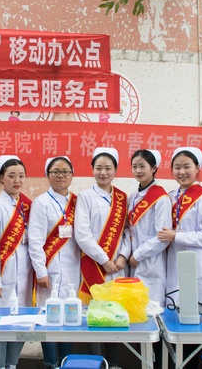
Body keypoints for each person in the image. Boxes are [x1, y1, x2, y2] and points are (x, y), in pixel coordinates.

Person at [158, 147, 202, 369]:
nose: (182, 171)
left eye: (187, 166)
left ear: (197, 169)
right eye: (177, 167)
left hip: (199, 267)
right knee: (178, 328)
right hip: (175, 267)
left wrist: (176, 236)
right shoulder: (170, 197)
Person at [74, 147, 130, 369]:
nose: (103, 172)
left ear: (115, 170)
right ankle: (96, 363)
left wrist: (123, 256)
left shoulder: (122, 198)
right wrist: (104, 259)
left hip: (117, 267)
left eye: (108, 168)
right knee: (95, 316)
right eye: (98, 168)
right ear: (92, 170)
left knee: (114, 314)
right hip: (95, 265)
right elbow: (82, 234)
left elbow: (127, 232)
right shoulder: (85, 197)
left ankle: (113, 363)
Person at [29, 156, 79, 369]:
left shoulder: (77, 202)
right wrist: (41, 271)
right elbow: (35, 241)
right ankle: (50, 363)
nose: (61, 176)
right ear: (47, 175)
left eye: (65, 171)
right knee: (48, 319)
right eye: (56, 172)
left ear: (72, 175)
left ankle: (66, 362)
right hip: (49, 271)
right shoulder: (41, 203)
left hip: (73, 269)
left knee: (69, 317)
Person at [0, 155, 33, 369]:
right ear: (1, 178)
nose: (17, 180)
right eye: (11, 176)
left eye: (21, 176)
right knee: (1, 324)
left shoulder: (27, 205)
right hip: (4, 274)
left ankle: (12, 363)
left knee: (21, 322)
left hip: (25, 273)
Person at [127, 149, 170, 369]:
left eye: (142, 166)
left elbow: (162, 237)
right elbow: (129, 232)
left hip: (151, 266)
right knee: (140, 322)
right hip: (134, 266)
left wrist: (138, 254)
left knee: (154, 322)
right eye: (134, 166)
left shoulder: (161, 198)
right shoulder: (133, 197)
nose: (138, 170)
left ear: (154, 168)